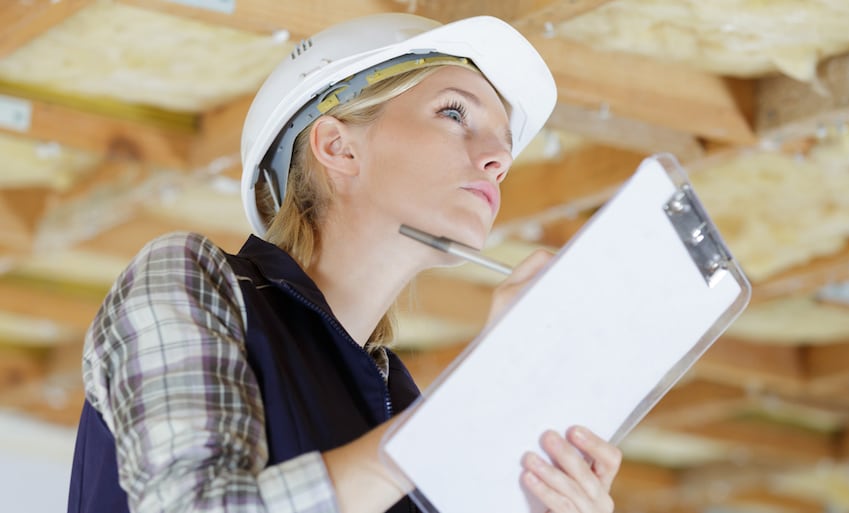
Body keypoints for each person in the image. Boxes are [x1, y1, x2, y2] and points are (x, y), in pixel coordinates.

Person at [67, 12, 622, 513]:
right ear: (337, 146)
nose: (499, 160)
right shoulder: (192, 282)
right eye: (455, 113)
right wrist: (470, 399)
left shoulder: (401, 404)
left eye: (503, 148)